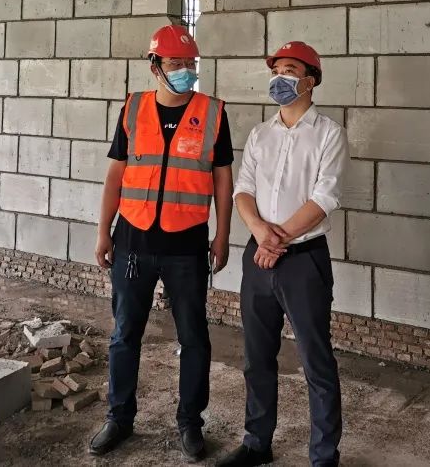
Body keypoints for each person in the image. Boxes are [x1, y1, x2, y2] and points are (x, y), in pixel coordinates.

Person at [89, 25, 234, 462]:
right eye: (176, 63)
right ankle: (119, 418)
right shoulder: (133, 109)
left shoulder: (213, 112)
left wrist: (223, 235)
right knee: (124, 335)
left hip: (187, 246)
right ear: (155, 66)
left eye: (191, 63)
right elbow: (115, 175)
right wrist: (103, 230)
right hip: (132, 241)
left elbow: (222, 180)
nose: (185, 70)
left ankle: (190, 423)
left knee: (194, 338)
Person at [218, 41, 347, 467]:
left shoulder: (329, 134)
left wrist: (279, 240)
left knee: (316, 361)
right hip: (258, 257)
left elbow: (324, 198)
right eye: (276, 70)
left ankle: (324, 456)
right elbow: (243, 190)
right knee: (257, 357)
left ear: (310, 80)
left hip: (304, 260)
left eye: (289, 70)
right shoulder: (261, 134)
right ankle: (257, 442)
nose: (280, 77)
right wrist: (260, 233)